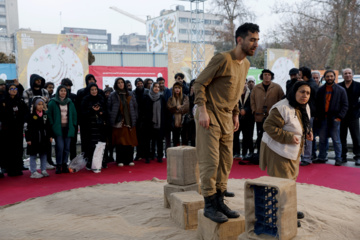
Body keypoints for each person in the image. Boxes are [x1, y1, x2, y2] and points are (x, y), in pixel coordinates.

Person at [193, 23, 259, 223]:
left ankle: (220, 200)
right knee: (210, 161)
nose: (255, 44)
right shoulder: (222, 59)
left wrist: (236, 113)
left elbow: (237, 90)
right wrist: (202, 110)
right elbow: (199, 83)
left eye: (257, 40)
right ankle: (209, 204)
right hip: (210, 116)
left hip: (228, 118)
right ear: (240, 40)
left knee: (226, 161)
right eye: (252, 40)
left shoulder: (246, 64)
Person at [260, 81, 313, 228]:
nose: (305, 95)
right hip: (278, 150)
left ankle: (289, 209)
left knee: (290, 181)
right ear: (294, 92)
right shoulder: (282, 107)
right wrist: (289, 137)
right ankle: (281, 214)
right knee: (282, 183)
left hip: (292, 151)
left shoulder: (304, 107)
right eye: (302, 92)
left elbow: (302, 124)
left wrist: (308, 132)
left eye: (308, 93)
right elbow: (268, 126)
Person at [314, 70, 348, 166]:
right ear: (324, 78)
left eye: (331, 76)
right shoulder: (320, 90)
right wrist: (317, 116)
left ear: (334, 77)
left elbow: (345, 105)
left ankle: (338, 158)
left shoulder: (341, 90)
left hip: (334, 118)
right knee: (322, 139)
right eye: (327, 76)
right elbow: (317, 104)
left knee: (336, 140)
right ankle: (321, 157)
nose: (329, 78)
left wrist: (339, 117)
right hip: (322, 118)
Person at [251, 69, 284, 154]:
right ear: (262, 76)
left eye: (269, 75)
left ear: (271, 77)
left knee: (272, 135)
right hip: (259, 116)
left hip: (272, 117)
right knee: (260, 135)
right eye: (265, 74)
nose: (267, 76)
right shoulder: (256, 88)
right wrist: (254, 111)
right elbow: (252, 101)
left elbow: (282, 100)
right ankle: (260, 153)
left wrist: (278, 112)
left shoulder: (277, 87)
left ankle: (272, 153)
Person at [108, 77, 138, 166]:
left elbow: (135, 107)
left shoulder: (130, 94)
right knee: (120, 142)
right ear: (116, 85)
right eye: (118, 83)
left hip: (129, 121)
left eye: (122, 82)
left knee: (129, 142)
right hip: (118, 122)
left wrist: (135, 117)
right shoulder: (113, 95)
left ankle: (129, 160)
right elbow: (108, 108)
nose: (121, 84)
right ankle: (120, 160)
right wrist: (112, 117)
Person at [47, 85, 77, 174]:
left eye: (65, 91)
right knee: (60, 147)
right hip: (58, 128)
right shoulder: (53, 102)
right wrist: (52, 124)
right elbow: (49, 114)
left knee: (67, 147)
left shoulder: (70, 102)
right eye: (61, 91)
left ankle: (64, 164)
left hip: (68, 128)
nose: (63, 92)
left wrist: (74, 125)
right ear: (58, 92)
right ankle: (58, 164)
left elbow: (74, 114)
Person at [0, 83, 28, 176]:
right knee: (9, 148)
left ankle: (17, 167)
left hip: (18, 128)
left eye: (15, 88)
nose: (13, 90)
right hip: (7, 129)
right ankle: (9, 168)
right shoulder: (4, 101)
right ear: (8, 90)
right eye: (11, 88)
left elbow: (25, 112)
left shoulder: (20, 100)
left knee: (18, 148)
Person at [81, 83, 107, 171]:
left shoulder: (101, 98)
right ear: (89, 90)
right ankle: (90, 163)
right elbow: (82, 112)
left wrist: (101, 112)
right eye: (92, 90)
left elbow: (105, 110)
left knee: (100, 144)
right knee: (91, 145)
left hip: (100, 126)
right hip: (90, 126)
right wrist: (92, 110)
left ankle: (100, 161)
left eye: (95, 89)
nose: (94, 91)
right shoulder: (85, 99)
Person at [76, 74, 105, 153]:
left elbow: (105, 107)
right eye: (89, 79)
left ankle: (100, 160)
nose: (91, 81)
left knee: (99, 141)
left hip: (98, 123)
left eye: (93, 79)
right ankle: (87, 159)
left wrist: (100, 111)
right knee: (87, 142)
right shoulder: (81, 93)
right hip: (86, 123)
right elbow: (80, 108)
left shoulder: (101, 93)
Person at [25, 97, 52, 178]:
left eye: (42, 104)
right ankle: (33, 171)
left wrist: (50, 136)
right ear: (35, 105)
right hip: (34, 138)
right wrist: (28, 139)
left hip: (44, 138)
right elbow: (27, 128)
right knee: (33, 155)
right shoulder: (31, 115)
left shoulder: (45, 115)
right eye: (39, 104)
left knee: (43, 154)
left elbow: (48, 126)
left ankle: (43, 169)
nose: (40, 106)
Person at [338, 68, 360, 166]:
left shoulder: (358, 85)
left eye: (349, 73)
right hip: (342, 116)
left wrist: (357, 108)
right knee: (342, 137)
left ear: (352, 74)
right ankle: (343, 156)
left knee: (356, 137)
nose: (347, 75)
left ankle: (358, 156)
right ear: (343, 76)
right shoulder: (339, 86)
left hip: (354, 116)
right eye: (345, 73)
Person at [298, 66, 319, 166]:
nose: (298, 75)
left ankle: (307, 157)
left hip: (308, 114)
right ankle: (307, 156)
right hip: (307, 113)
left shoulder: (310, 85)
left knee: (308, 136)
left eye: (300, 74)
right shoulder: (310, 84)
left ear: (304, 75)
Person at [142, 82, 167, 163]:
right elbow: (144, 111)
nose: (157, 88)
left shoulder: (161, 97)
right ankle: (148, 156)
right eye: (155, 86)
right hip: (149, 123)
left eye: (158, 87)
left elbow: (164, 111)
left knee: (159, 140)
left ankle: (159, 156)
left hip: (159, 123)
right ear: (151, 88)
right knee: (148, 141)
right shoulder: (147, 97)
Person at [234, 83, 253, 159]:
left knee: (246, 136)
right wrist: (238, 111)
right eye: (242, 82)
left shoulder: (251, 93)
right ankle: (236, 153)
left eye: (245, 83)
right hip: (236, 118)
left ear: (246, 84)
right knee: (235, 136)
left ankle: (245, 153)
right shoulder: (235, 92)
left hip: (248, 118)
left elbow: (252, 104)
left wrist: (246, 110)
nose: (243, 84)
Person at [167, 82, 189, 146]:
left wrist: (176, 110)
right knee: (175, 140)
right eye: (175, 88)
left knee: (185, 140)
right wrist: (176, 107)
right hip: (174, 123)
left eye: (179, 88)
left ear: (181, 89)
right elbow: (169, 108)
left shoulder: (185, 97)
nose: (177, 89)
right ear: (173, 89)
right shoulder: (170, 98)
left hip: (183, 122)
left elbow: (186, 108)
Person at [61, 78, 77, 160]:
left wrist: (75, 123)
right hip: (61, 125)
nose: (67, 88)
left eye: (69, 86)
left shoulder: (74, 97)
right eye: (66, 85)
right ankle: (62, 162)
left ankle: (73, 162)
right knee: (61, 145)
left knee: (72, 144)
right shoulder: (55, 98)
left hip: (72, 125)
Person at [103, 85, 114, 162]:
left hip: (112, 124)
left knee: (112, 142)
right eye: (106, 93)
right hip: (105, 124)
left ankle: (111, 155)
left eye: (109, 93)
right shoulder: (102, 101)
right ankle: (106, 156)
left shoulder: (114, 101)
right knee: (105, 141)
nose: (107, 94)